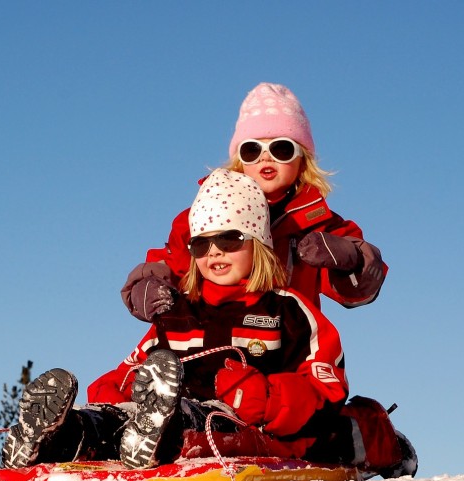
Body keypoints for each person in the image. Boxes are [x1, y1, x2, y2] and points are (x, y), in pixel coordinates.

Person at [2, 169, 416, 478]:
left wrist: (267, 397)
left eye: (230, 239)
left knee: (198, 424)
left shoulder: (288, 310)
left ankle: (155, 432)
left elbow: (326, 391)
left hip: (241, 423)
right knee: (116, 420)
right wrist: (117, 391)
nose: (214, 251)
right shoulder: (179, 313)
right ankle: (60, 436)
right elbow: (128, 369)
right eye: (202, 243)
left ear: (258, 245)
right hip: (161, 412)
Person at [121, 82, 388, 325]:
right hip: (217, 336)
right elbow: (174, 262)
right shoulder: (207, 215)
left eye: (281, 149)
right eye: (252, 150)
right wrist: (148, 285)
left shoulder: (320, 224)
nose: (265, 158)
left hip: (289, 342)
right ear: (240, 160)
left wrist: (350, 259)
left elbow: (357, 293)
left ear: (303, 159)